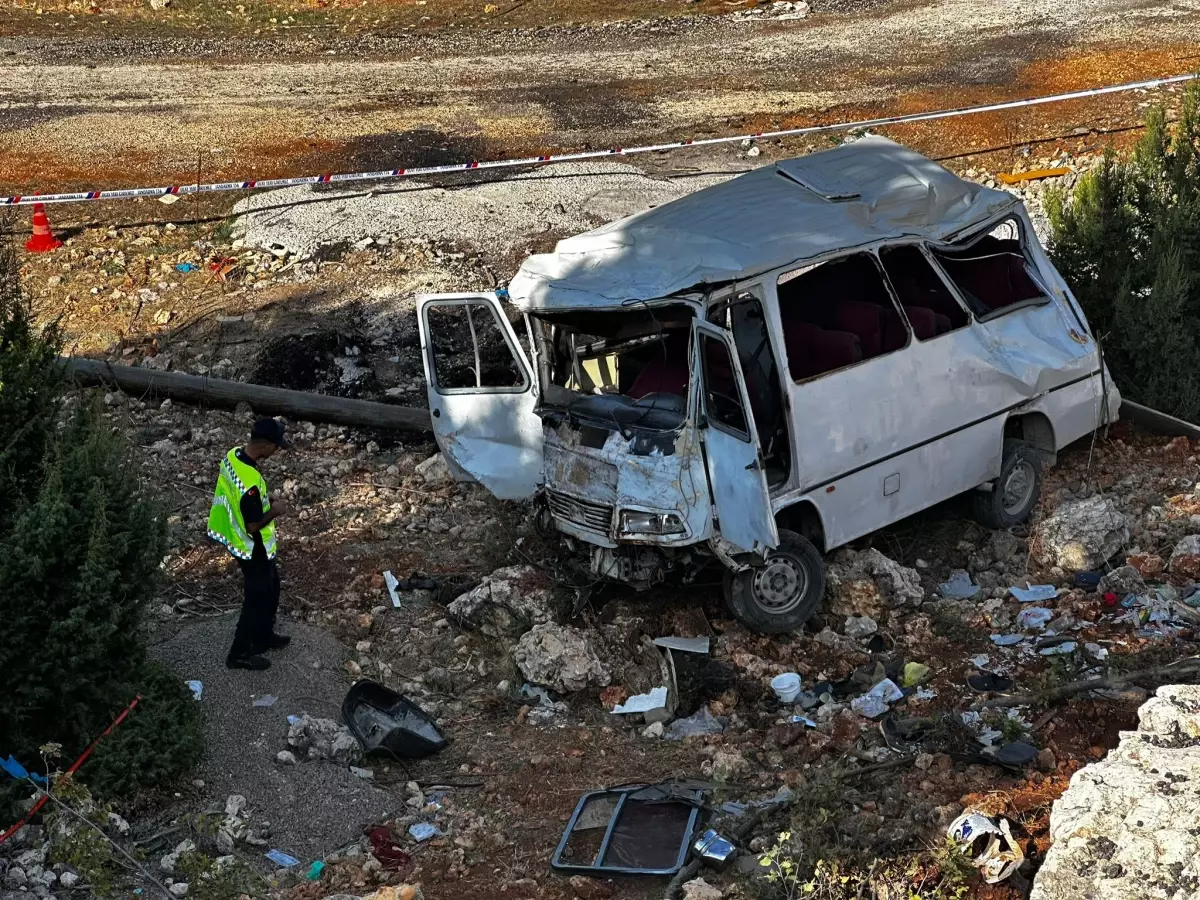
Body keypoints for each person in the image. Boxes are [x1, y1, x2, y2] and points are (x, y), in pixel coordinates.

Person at [207, 417, 294, 670]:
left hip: (238, 536)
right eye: (276, 445)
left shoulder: (233, 455)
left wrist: (264, 499)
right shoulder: (250, 484)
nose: (277, 450)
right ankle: (239, 654)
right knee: (256, 599)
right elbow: (253, 525)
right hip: (250, 546)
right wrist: (275, 510)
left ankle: (264, 635)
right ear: (265, 445)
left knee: (272, 586)